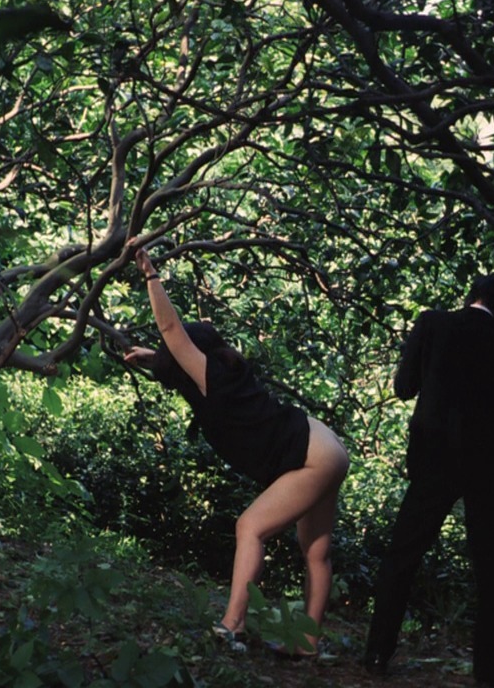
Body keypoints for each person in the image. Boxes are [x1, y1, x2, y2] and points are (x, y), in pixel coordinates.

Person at [123, 239, 350, 656]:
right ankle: (307, 643)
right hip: (323, 445)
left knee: (250, 527)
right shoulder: (218, 375)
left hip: (310, 457)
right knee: (316, 551)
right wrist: (153, 357)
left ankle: (233, 625)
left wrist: (150, 274)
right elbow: (176, 355)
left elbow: (172, 330)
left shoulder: (213, 378)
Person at [362, 274, 494, 687]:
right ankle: (489, 676)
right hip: (488, 466)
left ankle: (377, 654)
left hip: (434, 457)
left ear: (472, 297)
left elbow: (404, 387)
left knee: (403, 554)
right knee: (490, 571)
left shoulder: (433, 323)